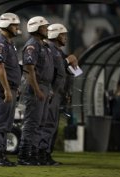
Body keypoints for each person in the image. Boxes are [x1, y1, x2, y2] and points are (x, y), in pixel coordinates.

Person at [38, 23, 78, 165]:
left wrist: (67, 91)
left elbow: (64, 73)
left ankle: (47, 154)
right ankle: (42, 154)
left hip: (58, 93)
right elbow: (51, 69)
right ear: (55, 34)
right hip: (51, 93)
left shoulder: (58, 52)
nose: (65, 38)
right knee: (48, 124)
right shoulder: (49, 49)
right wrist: (68, 60)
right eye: (63, 35)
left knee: (53, 125)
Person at [17, 16, 54, 166]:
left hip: (44, 86)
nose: (46, 30)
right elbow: (29, 69)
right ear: (36, 29)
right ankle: (24, 154)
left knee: (40, 123)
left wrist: (47, 89)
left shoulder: (43, 45)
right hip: (35, 86)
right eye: (44, 27)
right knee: (32, 123)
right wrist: (37, 89)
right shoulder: (32, 45)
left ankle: (34, 153)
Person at [0, 13, 21, 167]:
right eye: (15, 25)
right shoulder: (0, 43)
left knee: (6, 123)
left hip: (10, 87)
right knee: (0, 122)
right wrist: (7, 90)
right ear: (7, 25)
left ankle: (1, 154)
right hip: (2, 88)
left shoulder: (8, 43)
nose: (17, 28)